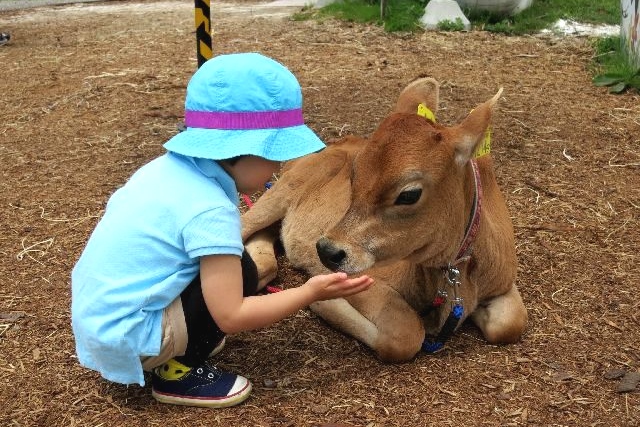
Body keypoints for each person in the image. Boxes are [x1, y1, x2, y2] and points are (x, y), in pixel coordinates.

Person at [71, 52, 374, 409]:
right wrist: (309, 293)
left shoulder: (161, 170)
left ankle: (176, 339)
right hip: (131, 340)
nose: (277, 169)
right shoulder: (210, 210)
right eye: (274, 156)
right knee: (240, 272)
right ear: (243, 151)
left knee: (234, 264)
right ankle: (175, 370)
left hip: (100, 322)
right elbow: (232, 315)